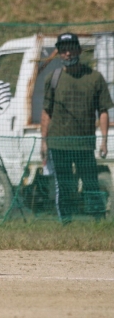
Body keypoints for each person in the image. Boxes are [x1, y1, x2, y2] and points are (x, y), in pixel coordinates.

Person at [41, 32, 113, 224]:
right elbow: (46, 112)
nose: (68, 54)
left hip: (84, 145)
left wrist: (104, 141)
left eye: (71, 49)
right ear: (59, 53)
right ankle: (66, 223)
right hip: (58, 144)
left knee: (91, 183)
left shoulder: (94, 78)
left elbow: (103, 111)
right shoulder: (53, 78)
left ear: (79, 50)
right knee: (64, 186)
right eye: (63, 50)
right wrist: (44, 142)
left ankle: (98, 221)